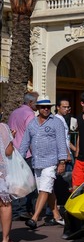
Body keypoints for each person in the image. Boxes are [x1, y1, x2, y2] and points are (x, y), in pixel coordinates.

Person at [19, 95, 67, 229]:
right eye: (43, 107)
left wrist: (62, 162)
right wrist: (19, 159)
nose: (46, 109)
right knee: (46, 189)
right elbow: (24, 143)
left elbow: (61, 143)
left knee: (44, 189)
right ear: (38, 108)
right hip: (37, 162)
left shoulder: (56, 122)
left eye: (48, 107)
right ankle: (57, 216)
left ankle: (34, 218)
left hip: (51, 161)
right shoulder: (32, 123)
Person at [7, 91, 38, 221]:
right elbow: (31, 135)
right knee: (27, 183)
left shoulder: (14, 112)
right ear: (30, 103)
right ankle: (22, 210)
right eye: (37, 102)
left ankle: (16, 210)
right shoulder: (30, 114)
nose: (39, 105)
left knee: (15, 182)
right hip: (26, 153)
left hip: (13, 150)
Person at [53, 98, 76, 211]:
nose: (67, 109)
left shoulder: (63, 119)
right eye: (64, 107)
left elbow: (66, 139)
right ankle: (58, 207)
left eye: (68, 107)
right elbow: (61, 140)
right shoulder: (57, 120)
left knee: (67, 181)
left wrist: (74, 149)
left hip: (67, 152)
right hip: (63, 155)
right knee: (63, 181)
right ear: (58, 107)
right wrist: (67, 154)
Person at [0, 120, 15, 242]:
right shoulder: (3, 127)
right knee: (5, 205)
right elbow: (8, 151)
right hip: (1, 172)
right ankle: (5, 239)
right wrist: (12, 139)